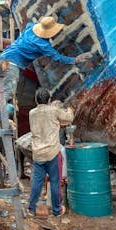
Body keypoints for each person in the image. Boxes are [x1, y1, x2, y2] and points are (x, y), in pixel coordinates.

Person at [0, 15, 92, 104]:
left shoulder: (30, 27)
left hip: (4, 56)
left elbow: (30, 23)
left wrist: (42, 22)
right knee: (6, 93)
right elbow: (58, 58)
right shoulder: (43, 45)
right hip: (13, 64)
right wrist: (75, 59)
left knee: (2, 90)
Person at [27, 87, 74, 217]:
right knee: (55, 182)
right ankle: (57, 211)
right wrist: (70, 109)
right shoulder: (53, 110)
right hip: (52, 152)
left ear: (36, 100)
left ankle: (31, 208)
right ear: (49, 100)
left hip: (38, 154)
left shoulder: (32, 113)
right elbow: (69, 118)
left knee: (37, 182)